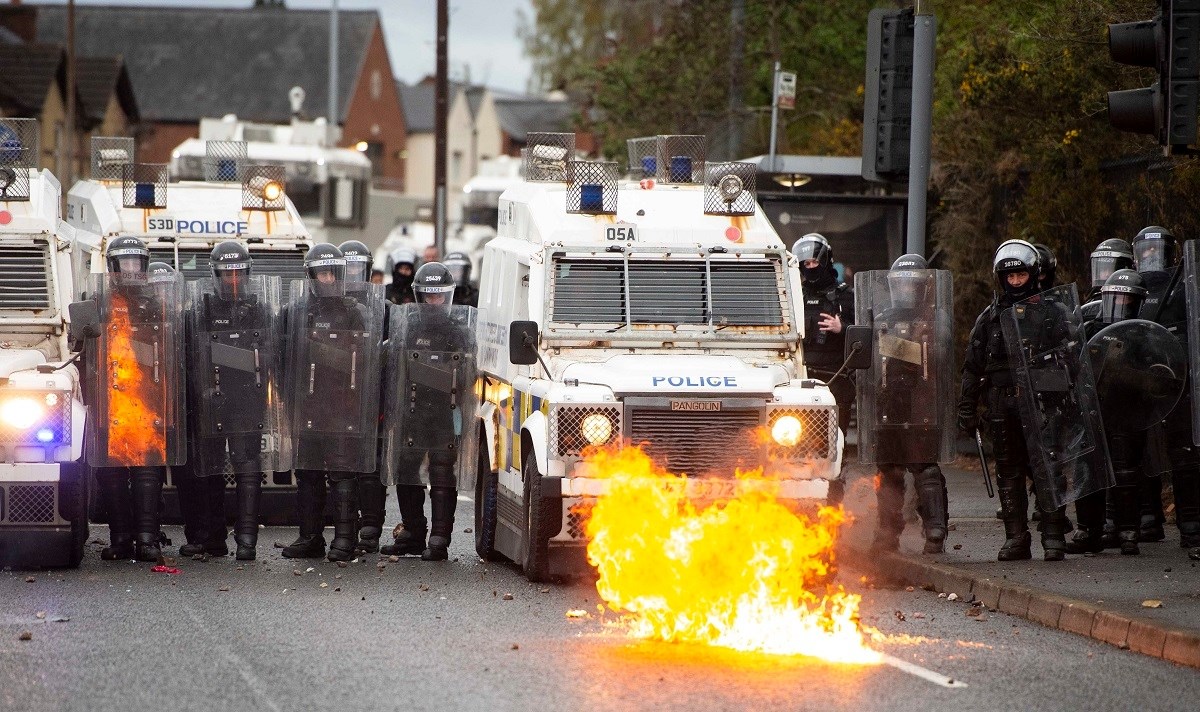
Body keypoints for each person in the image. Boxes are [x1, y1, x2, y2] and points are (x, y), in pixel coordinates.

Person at [959, 240, 1072, 561]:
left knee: (1047, 468)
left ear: (1033, 274)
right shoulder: (990, 318)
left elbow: (1073, 360)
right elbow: (972, 367)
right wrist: (966, 409)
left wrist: (1065, 398)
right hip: (1002, 405)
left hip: (1042, 405)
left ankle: (1053, 537)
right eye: (1010, 277)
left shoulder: (1054, 313)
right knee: (1007, 471)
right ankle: (1016, 539)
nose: (1016, 282)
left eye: (1021, 275)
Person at [180, 242, 283, 561]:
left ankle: (247, 540)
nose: (233, 279)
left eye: (238, 273)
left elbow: (272, 355)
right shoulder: (201, 310)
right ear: (216, 275)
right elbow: (188, 355)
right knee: (207, 469)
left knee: (247, 468)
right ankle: (210, 537)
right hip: (209, 398)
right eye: (227, 273)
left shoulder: (260, 309)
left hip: (247, 400)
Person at [281, 244, 385, 562]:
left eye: (332, 273)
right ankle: (310, 537)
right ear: (311, 276)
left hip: (343, 405)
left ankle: (345, 539)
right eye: (322, 273)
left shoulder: (356, 312)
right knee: (308, 474)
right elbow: (284, 359)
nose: (327, 279)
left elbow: (367, 360)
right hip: (308, 405)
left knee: (342, 474)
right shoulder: (297, 311)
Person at [86, 236, 183, 562]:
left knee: (146, 474)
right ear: (112, 266)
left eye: (135, 263)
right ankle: (121, 538)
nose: (129, 270)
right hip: (109, 401)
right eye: (123, 263)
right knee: (111, 476)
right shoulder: (97, 300)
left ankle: (147, 539)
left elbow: (170, 353)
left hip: (146, 400)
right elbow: (80, 345)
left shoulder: (156, 303)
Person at [381, 262, 476, 561]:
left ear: (447, 296)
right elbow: (392, 365)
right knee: (405, 469)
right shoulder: (407, 327)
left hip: (445, 412)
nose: (434, 302)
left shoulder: (459, 331)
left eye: (439, 296)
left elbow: (470, 373)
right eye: (429, 296)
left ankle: (440, 538)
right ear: (419, 296)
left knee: (441, 470)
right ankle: (413, 531)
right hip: (412, 410)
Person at [857, 254, 952, 554]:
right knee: (889, 470)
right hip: (888, 405)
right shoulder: (882, 318)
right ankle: (887, 532)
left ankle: (935, 530)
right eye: (902, 285)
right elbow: (870, 360)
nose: (907, 291)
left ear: (924, 287)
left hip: (923, 403)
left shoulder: (935, 319)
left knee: (926, 469)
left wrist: (918, 341)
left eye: (914, 285)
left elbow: (943, 358)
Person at [1133, 227, 1200, 553]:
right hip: (1142, 381)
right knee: (1143, 450)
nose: (1150, 256)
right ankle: (1148, 517)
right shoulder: (1132, 286)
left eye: (1156, 250)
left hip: (1178, 378)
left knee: (1183, 451)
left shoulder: (1183, 286)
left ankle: (1191, 524)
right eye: (1144, 251)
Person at [791, 233, 854, 505]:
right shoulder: (793, 293)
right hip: (800, 378)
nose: (810, 268)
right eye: (805, 264)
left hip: (835, 380)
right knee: (792, 441)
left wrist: (843, 329)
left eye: (815, 262)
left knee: (833, 444)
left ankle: (833, 504)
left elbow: (867, 334)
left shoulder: (846, 296)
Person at [339, 239, 388, 554]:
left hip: (374, 396)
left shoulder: (384, 309)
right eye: (349, 269)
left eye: (360, 268)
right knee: (343, 465)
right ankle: (346, 525)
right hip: (338, 395)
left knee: (372, 466)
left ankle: (371, 525)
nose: (355, 275)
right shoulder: (329, 306)